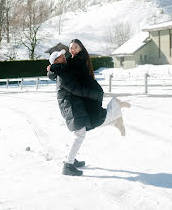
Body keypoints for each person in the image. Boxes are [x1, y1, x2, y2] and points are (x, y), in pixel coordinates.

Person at [47, 40, 130, 176]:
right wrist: (93, 94)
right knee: (80, 135)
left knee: (83, 131)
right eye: (61, 56)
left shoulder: (63, 70)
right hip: (71, 108)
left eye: (63, 54)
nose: (64, 56)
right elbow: (76, 89)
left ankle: (71, 160)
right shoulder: (63, 75)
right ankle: (68, 165)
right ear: (56, 61)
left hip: (73, 106)